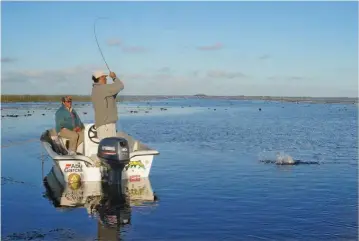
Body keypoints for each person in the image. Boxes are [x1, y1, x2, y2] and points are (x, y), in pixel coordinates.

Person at [91, 70, 124, 140]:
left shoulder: (96, 89)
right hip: (106, 126)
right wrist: (114, 77)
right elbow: (120, 86)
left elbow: (113, 93)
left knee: (107, 148)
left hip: (103, 125)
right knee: (109, 147)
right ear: (100, 78)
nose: (106, 79)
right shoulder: (102, 88)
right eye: (104, 77)